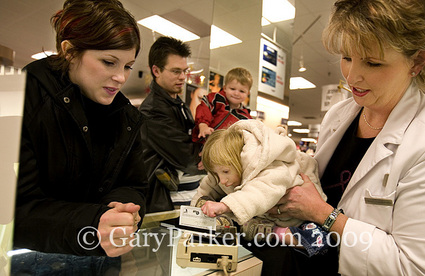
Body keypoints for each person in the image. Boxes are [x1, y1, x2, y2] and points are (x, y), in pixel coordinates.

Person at [270, 0, 425, 275]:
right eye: (346, 57)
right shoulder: (340, 115)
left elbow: (417, 268)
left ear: (417, 60)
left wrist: (323, 214)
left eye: (373, 62)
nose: (352, 76)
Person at [12, 0, 147, 271]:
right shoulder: (17, 98)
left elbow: (135, 184)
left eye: (128, 66)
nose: (121, 77)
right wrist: (93, 223)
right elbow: (13, 210)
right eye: (109, 62)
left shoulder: (126, 117)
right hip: (31, 262)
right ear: (70, 51)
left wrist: (123, 209)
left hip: (102, 260)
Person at [191, 120, 328, 255]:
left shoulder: (271, 166)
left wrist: (225, 206)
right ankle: (263, 230)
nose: (222, 180)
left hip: (296, 219)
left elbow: (260, 192)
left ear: (240, 161)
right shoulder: (225, 169)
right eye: (216, 173)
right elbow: (208, 186)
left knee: (316, 240)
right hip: (265, 216)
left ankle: (275, 232)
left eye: (225, 172)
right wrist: (193, 213)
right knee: (241, 222)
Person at [140, 36, 204, 209]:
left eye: (185, 71)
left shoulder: (178, 104)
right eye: (176, 71)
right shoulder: (153, 111)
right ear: (156, 70)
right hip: (165, 203)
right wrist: (210, 157)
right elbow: (188, 158)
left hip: (187, 196)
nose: (183, 77)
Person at [192, 67, 253, 143]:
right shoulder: (216, 99)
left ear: (248, 93)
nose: (236, 93)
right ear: (225, 88)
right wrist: (203, 126)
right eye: (232, 89)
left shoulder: (245, 117)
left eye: (242, 91)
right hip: (200, 142)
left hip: (222, 150)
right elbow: (204, 109)